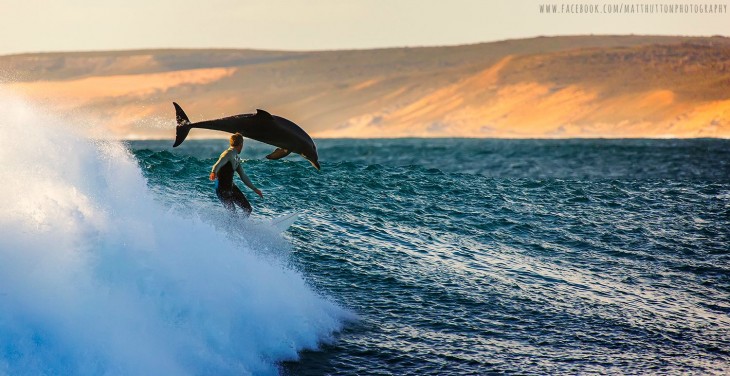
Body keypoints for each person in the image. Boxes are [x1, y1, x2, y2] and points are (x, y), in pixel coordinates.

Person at [210, 133, 263, 217]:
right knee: (233, 215)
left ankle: (241, 227)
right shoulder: (228, 153)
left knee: (248, 209)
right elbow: (218, 164)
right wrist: (214, 172)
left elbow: (243, 176)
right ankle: (230, 229)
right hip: (222, 190)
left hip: (231, 188)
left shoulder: (236, 158)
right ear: (241, 144)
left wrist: (255, 189)